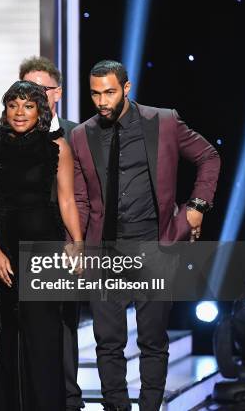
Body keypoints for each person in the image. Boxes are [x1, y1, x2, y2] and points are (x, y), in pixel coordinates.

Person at [70, 60, 220, 410]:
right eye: (95, 93)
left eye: (109, 92)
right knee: (107, 342)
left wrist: (196, 206)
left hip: (155, 246)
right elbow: (79, 196)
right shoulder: (81, 135)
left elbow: (208, 156)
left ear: (126, 87)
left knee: (152, 339)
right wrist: (75, 240)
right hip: (103, 251)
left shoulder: (163, 122)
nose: (102, 101)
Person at [0, 80, 84, 410]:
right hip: (5, 248)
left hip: (45, 249)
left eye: (27, 106)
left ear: (40, 111)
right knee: (12, 330)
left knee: (43, 333)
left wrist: (77, 242)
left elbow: (66, 200)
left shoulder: (57, 147)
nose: (19, 112)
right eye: (13, 105)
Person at [0, 56, 77, 141]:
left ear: (57, 93)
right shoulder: (0, 134)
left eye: (40, 88)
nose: (32, 95)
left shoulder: (77, 133)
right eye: (26, 88)